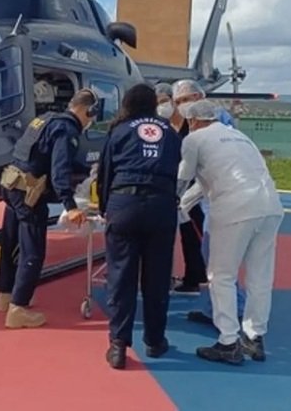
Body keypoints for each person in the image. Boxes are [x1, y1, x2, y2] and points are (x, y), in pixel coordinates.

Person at [178, 99, 283, 364]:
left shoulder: (194, 139)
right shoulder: (240, 137)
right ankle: (254, 336)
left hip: (234, 209)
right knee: (260, 276)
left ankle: (228, 341)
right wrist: (185, 204)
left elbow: (183, 178)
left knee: (221, 275)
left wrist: (172, 201)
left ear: (193, 120)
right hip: (270, 206)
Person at [96, 83, 182, 369]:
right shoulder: (169, 131)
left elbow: (105, 172)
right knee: (157, 278)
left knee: (121, 277)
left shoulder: (119, 130)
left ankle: (118, 345)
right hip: (161, 205)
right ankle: (155, 340)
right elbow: (177, 170)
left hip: (124, 204)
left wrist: (105, 208)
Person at [0, 89, 97, 328]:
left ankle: (6, 295)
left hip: (10, 184)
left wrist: (87, 168)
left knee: (10, 242)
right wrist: (70, 206)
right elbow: (59, 170)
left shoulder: (45, 119)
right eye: (92, 116)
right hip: (29, 194)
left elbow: (39, 154)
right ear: (87, 111)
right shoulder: (67, 130)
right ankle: (18, 309)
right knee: (33, 251)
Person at [172, 79, 246, 325]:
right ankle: (217, 307)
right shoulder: (200, 127)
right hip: (216, 198)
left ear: (198, 97)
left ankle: (232, 313)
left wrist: (180, 198)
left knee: (218, 260)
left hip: (221, 199)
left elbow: (198, 171)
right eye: (178, 102)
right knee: (212, 256)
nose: (181, 106)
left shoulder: (216, 122)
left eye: (185, 100)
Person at [155, 82, 207, 293]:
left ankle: (197, 276)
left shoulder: (193, 125)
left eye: (165, 101)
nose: (163, 107)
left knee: (194, 233)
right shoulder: (164, 128)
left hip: (194, 189)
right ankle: (180, 276)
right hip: (172, 188)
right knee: (172, 235)